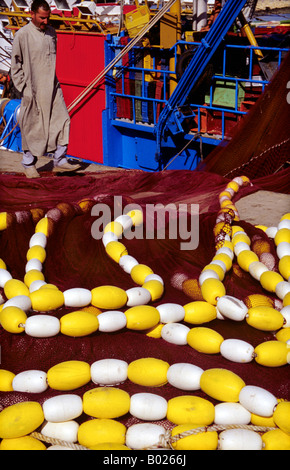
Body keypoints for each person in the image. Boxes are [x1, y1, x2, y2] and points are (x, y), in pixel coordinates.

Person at [10, 0, 80, 178]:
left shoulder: (51, 32)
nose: (45, 21)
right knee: (32, 126)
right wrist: (24, 88)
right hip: (32, 88)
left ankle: (60, 160)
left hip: (53, 86)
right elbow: (15, 66)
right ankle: (28, 164)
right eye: (42, 18)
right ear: (31, 14)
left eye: (47, 18)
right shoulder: (23, 35)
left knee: (63, 120)